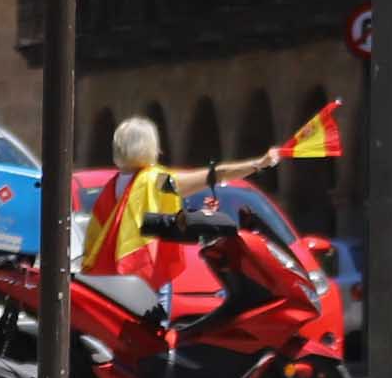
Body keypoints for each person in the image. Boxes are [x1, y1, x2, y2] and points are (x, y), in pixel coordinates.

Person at [88, 115, 283, 276]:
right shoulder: (155, 180)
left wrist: (201, 214)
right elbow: (216, 174)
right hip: (142, 276)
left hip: (112, 278)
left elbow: (150, 224)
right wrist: (259, 163)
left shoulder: (111, 186)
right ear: (150, 146)